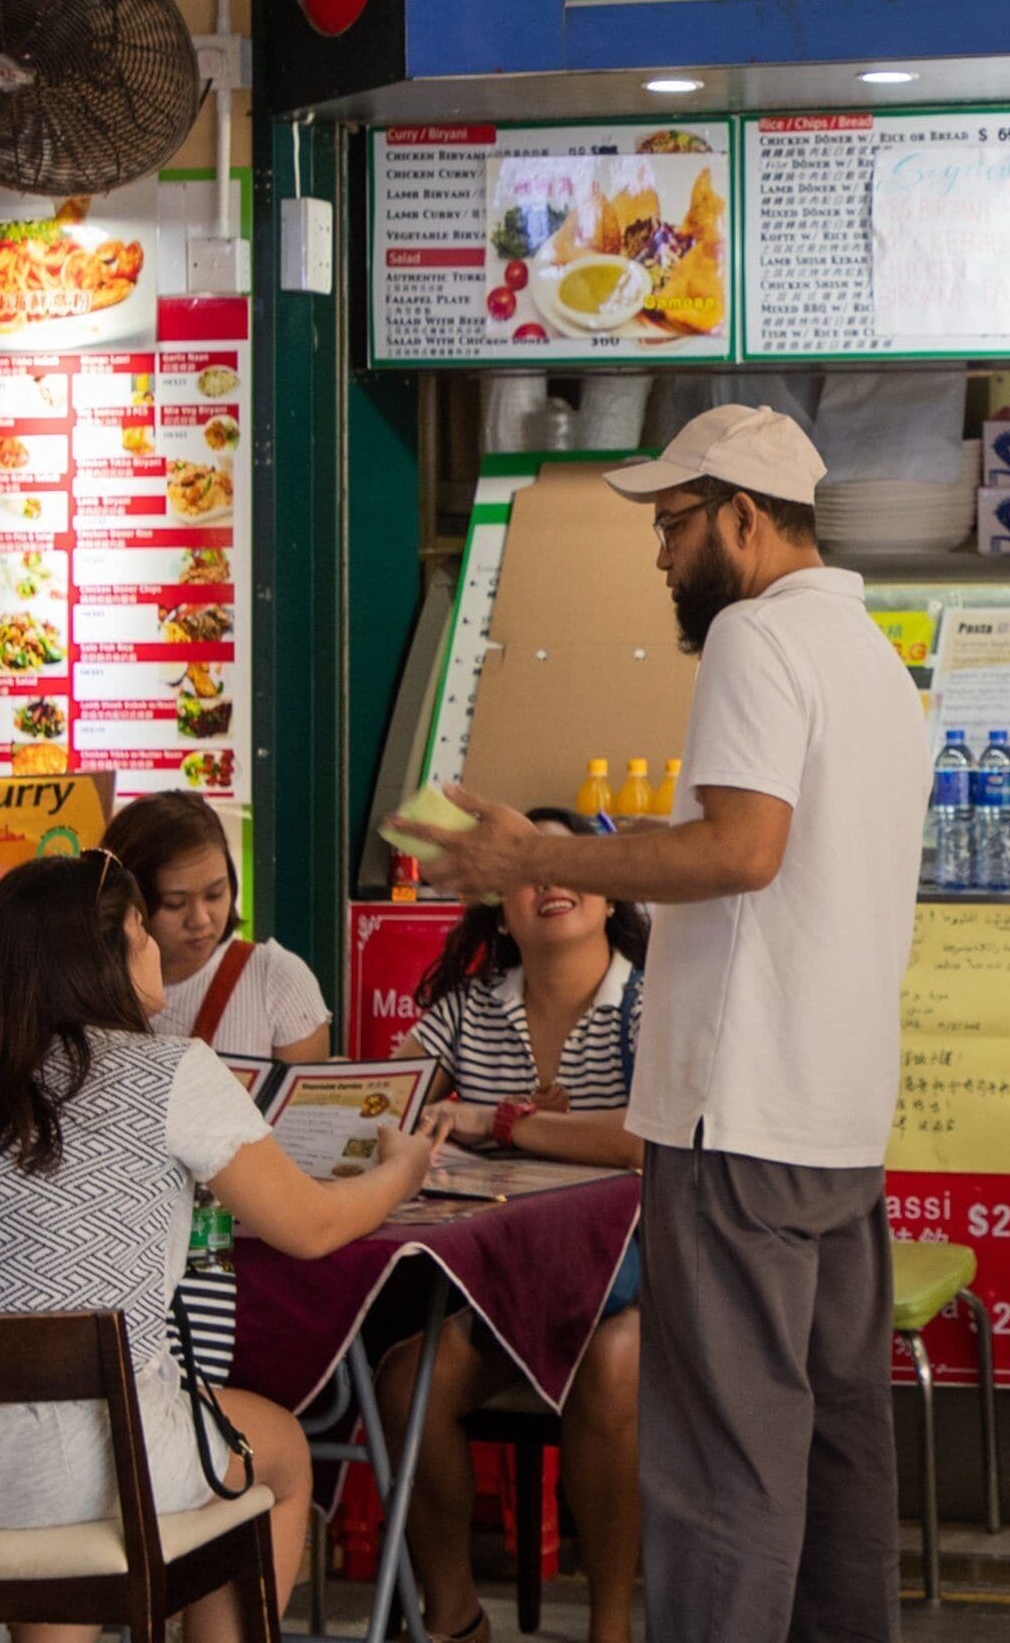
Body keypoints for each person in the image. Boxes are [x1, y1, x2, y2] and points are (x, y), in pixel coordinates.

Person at [396, 403, 928, 1643]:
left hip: (739, 1111)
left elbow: (742, 850)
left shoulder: (756, 636)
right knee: (839, 1447)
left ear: (744, 519)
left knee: (725, 1460)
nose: (659, 554)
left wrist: (546, 851)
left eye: (676, 523)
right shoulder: (874, 659)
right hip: (838, 1118)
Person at [0, 851, 438, 1643]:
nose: (159, 952)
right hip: (82, 1461)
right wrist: (400, 1172)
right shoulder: (167, 1070)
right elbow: (310, 1226)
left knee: (63, 1480)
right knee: (278, 1455)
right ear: (104, 956)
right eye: (145, 930)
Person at [378, 809, 648, 1643]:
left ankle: (608, 1628)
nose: (552, 884)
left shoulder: (650, 1000)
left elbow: (646, 1143)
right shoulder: (465, 1013)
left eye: (567, 862)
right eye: (527, 870)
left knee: (610, 1361)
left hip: (637, 1277)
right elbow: (389, 1111)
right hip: (504, 1282)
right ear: (499, 907)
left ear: (611, 897)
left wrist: (504, 1124)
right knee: (404, 1384)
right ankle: (455, 1616)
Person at [109, 790, 333, 1060]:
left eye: (215, 894)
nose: (201, 920)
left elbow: (303, 1099)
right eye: (175, 903)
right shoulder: (85, 989)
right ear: (129, 904)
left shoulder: (277, 978)